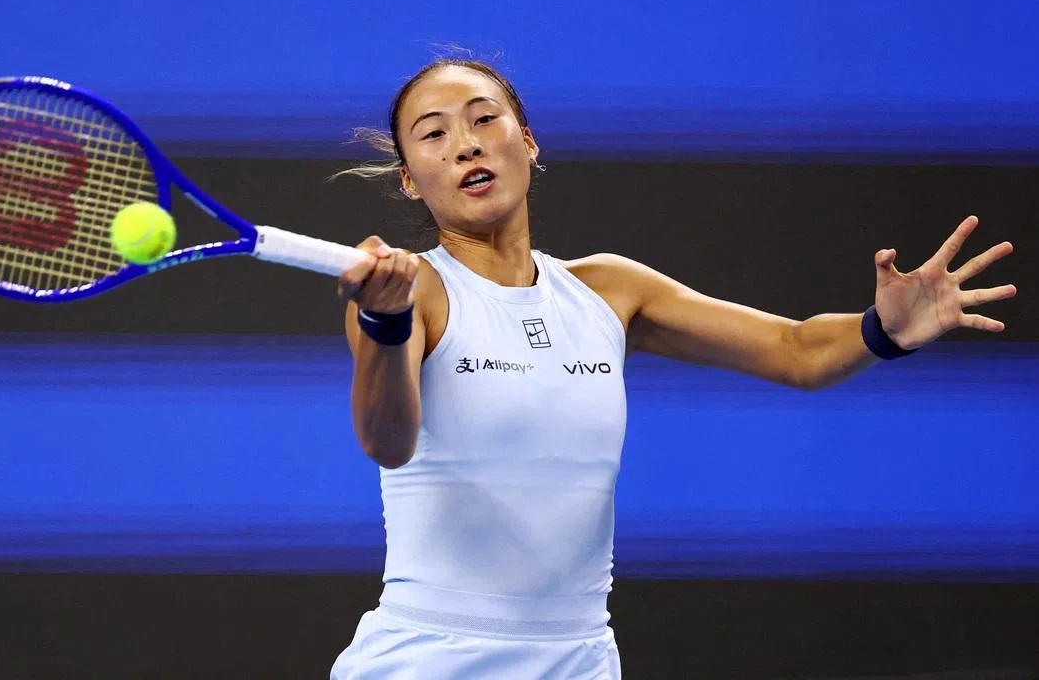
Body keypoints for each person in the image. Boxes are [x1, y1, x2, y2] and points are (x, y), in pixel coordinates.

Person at [328, 58, 1016, 679]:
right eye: (434, 135)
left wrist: (882, 331)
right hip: (429, 658)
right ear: (410, 180)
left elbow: (796, 351)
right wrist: (384, 324)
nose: (467, 144)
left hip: (578, 660)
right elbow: (387, 443)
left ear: (528, 141)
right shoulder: (412, 289)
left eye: (484, 119)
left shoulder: (610, 290)